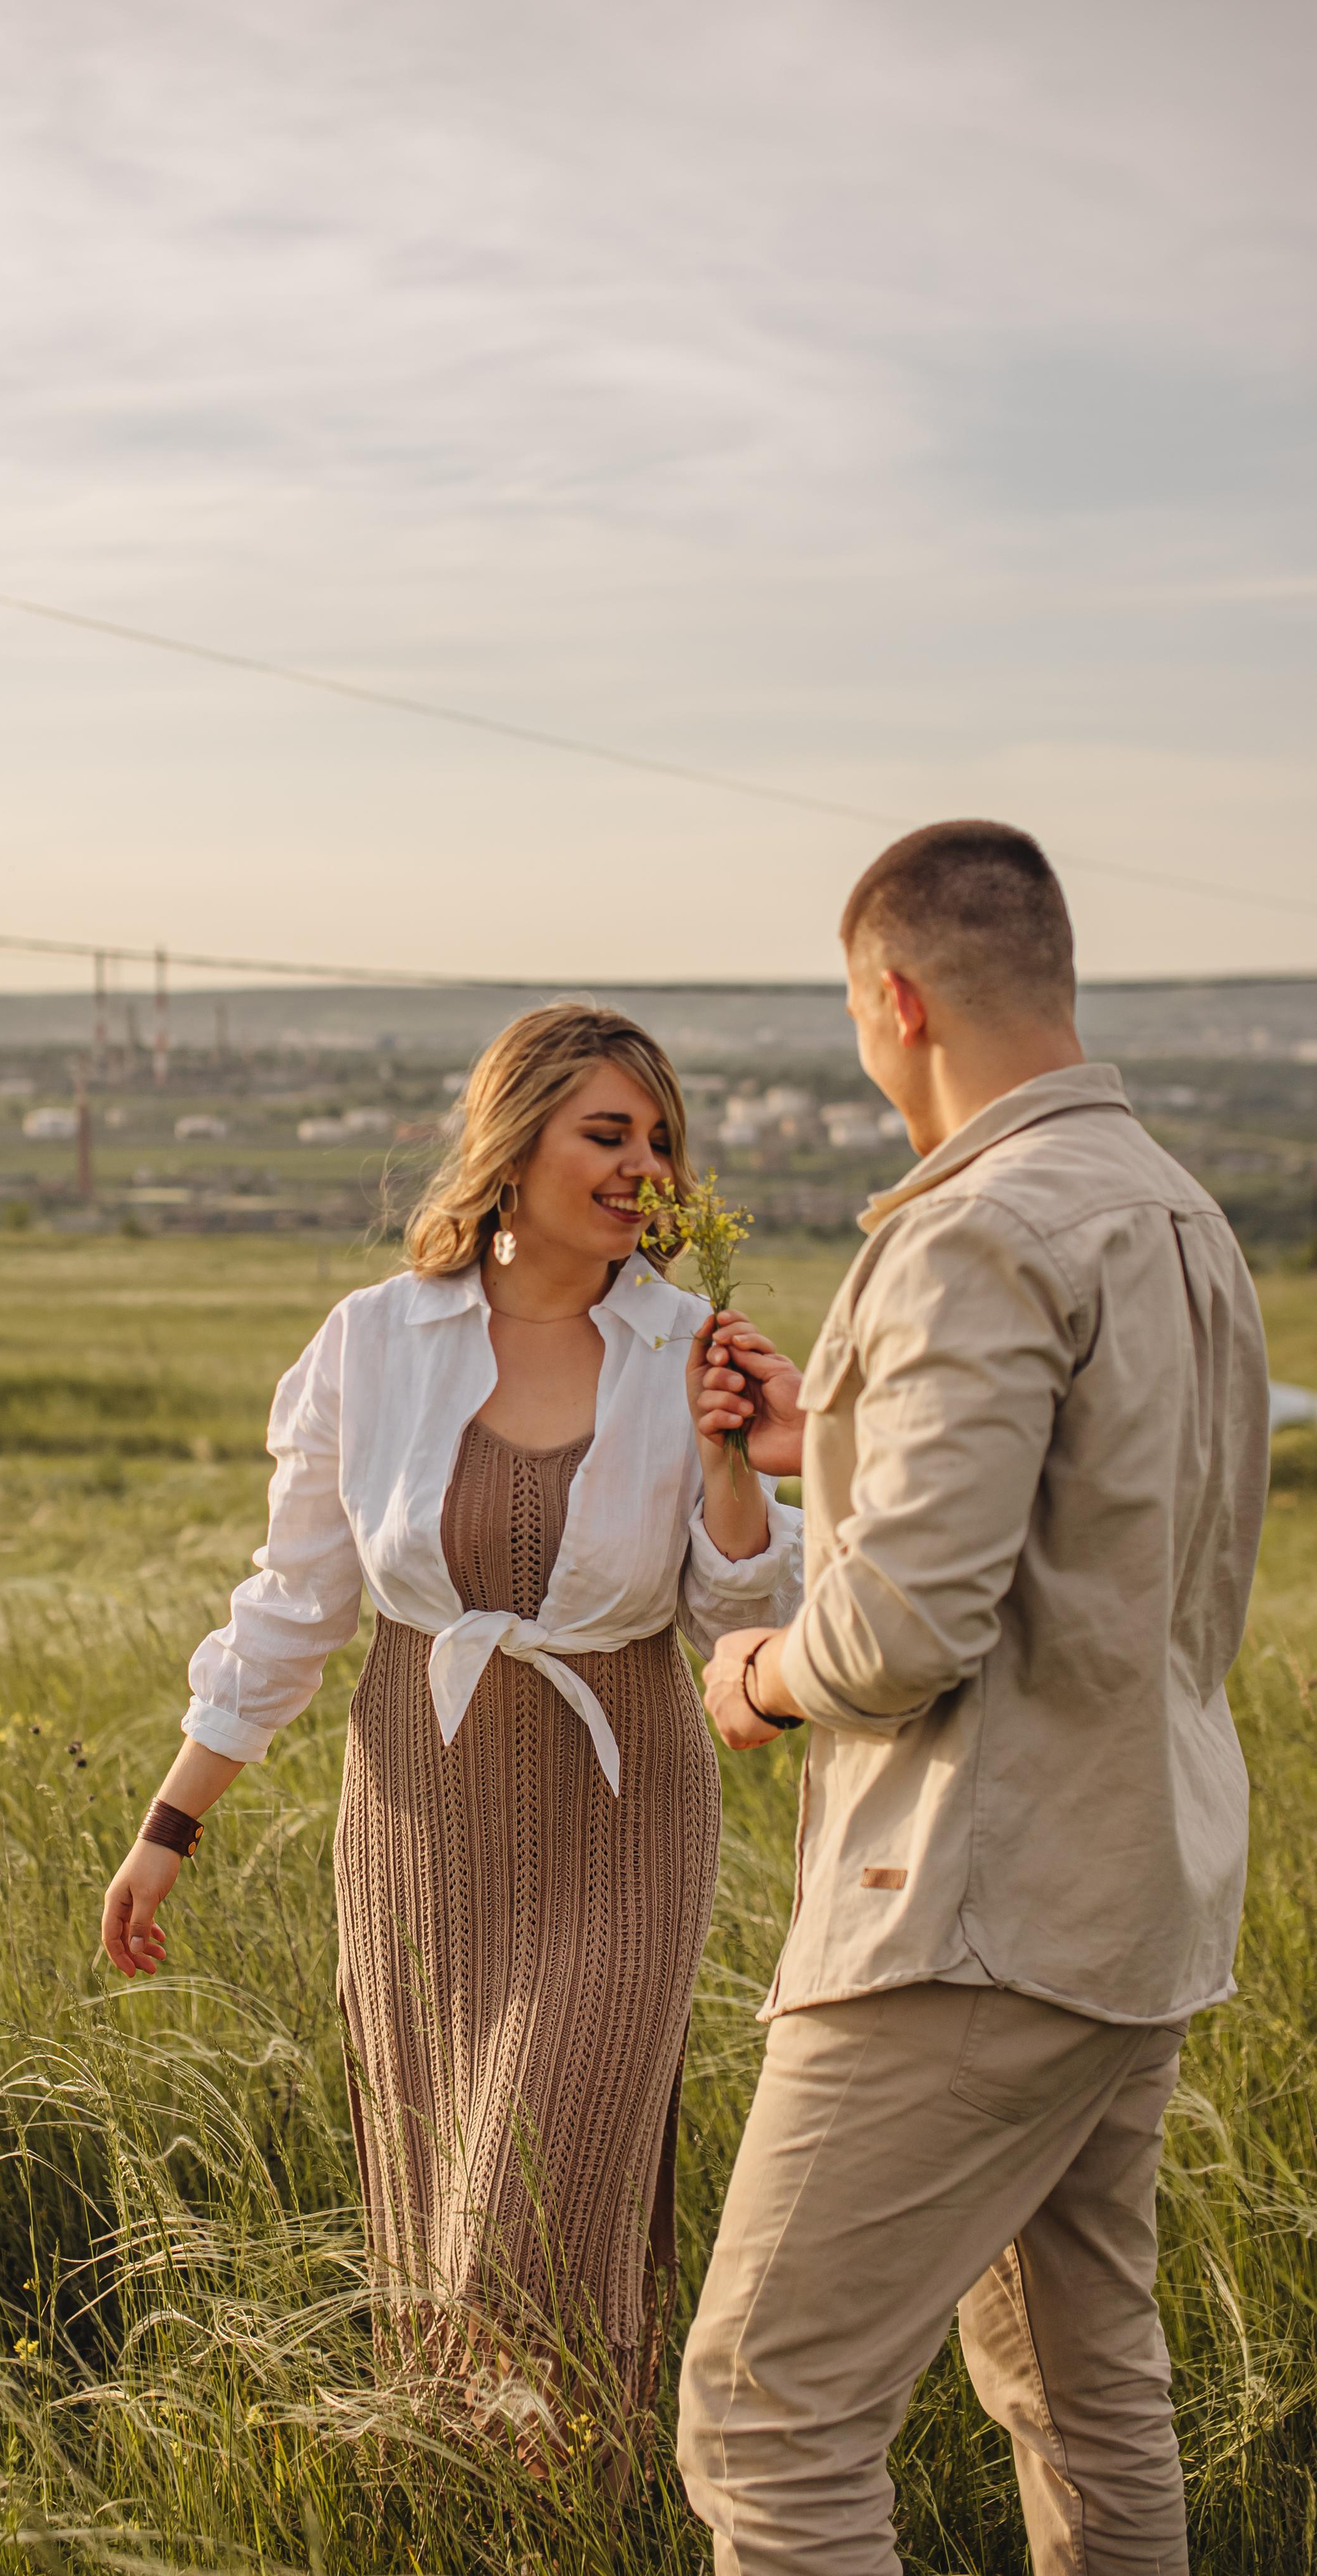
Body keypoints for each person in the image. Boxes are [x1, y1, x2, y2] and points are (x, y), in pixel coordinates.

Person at [677, 820, 1271, 2574]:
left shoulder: (972, 1235)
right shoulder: (1184, 1217)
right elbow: (1096, 1533)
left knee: (768, 2416)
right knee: (1084, 2399)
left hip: (969, 1914)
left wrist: (757, 1673)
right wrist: (826, 1452)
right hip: (1140, 1895)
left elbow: (906, 1634)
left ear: (897, 997)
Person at [100, 1001, 805, 2436]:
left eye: (659, 1140)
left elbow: (743, 1628)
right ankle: (477, 2508)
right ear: (512, 1139)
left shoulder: (692, 1344)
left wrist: (734, 1466)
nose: (641, 1167)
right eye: (605, 1132)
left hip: (622, 1820)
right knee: (434, 2221)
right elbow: (291, 1609)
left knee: (529, 2217)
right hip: (422, 1819)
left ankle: (558, 2495)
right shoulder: (375, 1341)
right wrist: (169, 1823)